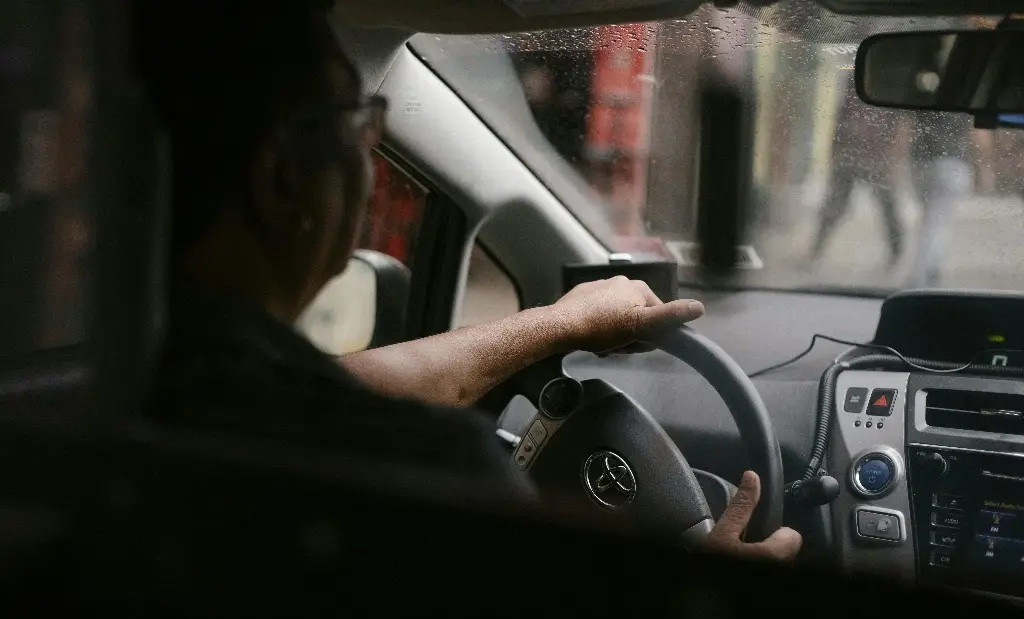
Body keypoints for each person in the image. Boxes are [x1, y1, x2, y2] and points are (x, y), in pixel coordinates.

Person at [136, 0, 801, 588]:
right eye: (362, 120)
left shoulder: (130, 378)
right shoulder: (438, 477)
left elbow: (343, 385)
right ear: (284, 181)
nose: (371, 155)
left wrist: (554, 324)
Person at [809, 71, 904, 267]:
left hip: (877, 156)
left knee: (888, 208)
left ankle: (896, 254)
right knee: (835, 204)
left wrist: (892, 161)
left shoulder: (892, 82)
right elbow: (841, 115)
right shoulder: (855, 79)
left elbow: (900, 124)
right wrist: (834, 151)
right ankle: (815, 251)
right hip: (852, 154)